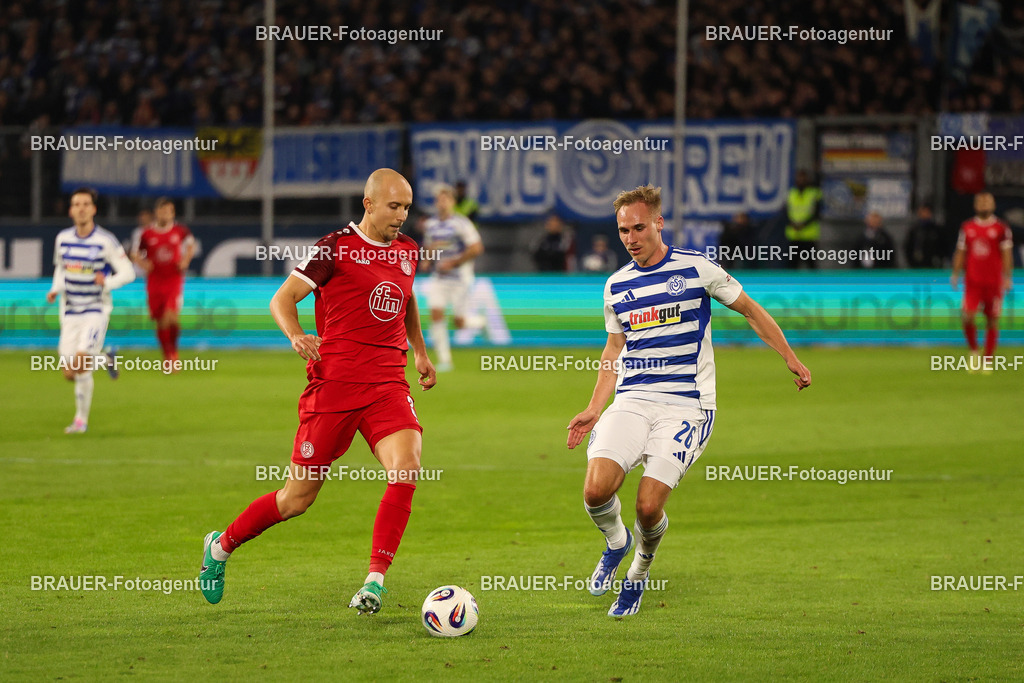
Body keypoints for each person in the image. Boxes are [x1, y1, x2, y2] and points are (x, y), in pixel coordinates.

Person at [198, 169, 437, 614]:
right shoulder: (335, 249)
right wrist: (295, 335)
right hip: (334, 389)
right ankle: (221, 546)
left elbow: (405, 300)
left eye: (406, 207)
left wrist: (420, 352)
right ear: (368, 204)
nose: (402, 216)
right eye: (394, 206)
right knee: (295, 500)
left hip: (387, 385)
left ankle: (374, 582)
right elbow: (282, 298)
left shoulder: (407, 251)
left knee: (406, 467)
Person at [566, 185, 811, 617]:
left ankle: (639, 572)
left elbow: (751, 310)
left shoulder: (697, 269)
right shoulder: (617, 284)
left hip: (687, 405)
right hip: (632, 399)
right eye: (623, 230)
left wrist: (788, 356)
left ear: (659, 223)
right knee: (594, 491)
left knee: (647, 505)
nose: (630, 237)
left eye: (639, 227)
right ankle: (616, 543)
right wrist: (594, 406)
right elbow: (614, 350)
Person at [46, 188, 136, 433]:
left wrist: (107, 282)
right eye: (77, 204)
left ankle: (80, 421)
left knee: (82, 360)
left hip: (96, 309)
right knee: (68, 371)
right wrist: (55, 289)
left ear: (94, 209)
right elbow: (61, 268)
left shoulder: (105, 241)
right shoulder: (62, 238)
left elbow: (129, 272)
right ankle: (106, 358)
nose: (82, 208)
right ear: (71, 210)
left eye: (86, 204)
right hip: (70, 311)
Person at [423, 185, 484, 372]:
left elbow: (476, 248)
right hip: (439, 278)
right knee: (436, 314)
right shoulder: (430, 225)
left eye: (446, 199)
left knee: (460, 323)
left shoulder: (462, 223)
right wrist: (426, 260)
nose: (442, 202)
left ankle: (481, 322)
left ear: (452, 202)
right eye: (439, 199)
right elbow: (430, 247)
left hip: (460, 278)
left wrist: (455, 262)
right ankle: (445, 360)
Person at [951, 192, 1014, 365]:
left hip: (993, 282)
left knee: (992, 319)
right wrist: (955, 273)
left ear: (993, 205)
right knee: (967, 315)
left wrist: (1007, 276)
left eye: (988, 202)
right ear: (975, 205)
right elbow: (961, 251)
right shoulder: (967, 227)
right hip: (973, 281)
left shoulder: (1001, 228)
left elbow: (1006, 253)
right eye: (981, 202)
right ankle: (973, 350)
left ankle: (987, 358)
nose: (984, 204)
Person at [131, 198, 195, 362]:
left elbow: (191, 245)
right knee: (161, 321)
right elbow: (135, 253)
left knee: (170, 317)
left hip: (173, 279)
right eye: (163, 211)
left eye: (169, 211)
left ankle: (171, 354)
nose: (166, 214)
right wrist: (144, 264)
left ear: (173, 213)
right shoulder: (147, 234)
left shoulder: (180, 231)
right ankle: (168, 353)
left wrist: (186, 260)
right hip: (154, 281)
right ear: (157, 212)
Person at [785, 170, 822, 269]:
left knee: (811, 266)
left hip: (808, 236)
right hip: (794, 235)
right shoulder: (791, 193)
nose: (801, 180)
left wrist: (803, 225)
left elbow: (817, 213)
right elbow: (786, 212)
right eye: (799, 178)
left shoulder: (814, 193)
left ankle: (815, 285)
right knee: (792, 266)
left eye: (803, 178)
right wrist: (793, 224)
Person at [903, 204, 944, 268]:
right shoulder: (914, 230)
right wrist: (912, 261)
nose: (924, 214)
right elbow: (908, 247)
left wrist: (939, 258)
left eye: (927, 212)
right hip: (917, 265)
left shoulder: (936, 229)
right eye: (922, 212)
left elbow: (943, 246)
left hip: (934, 265)